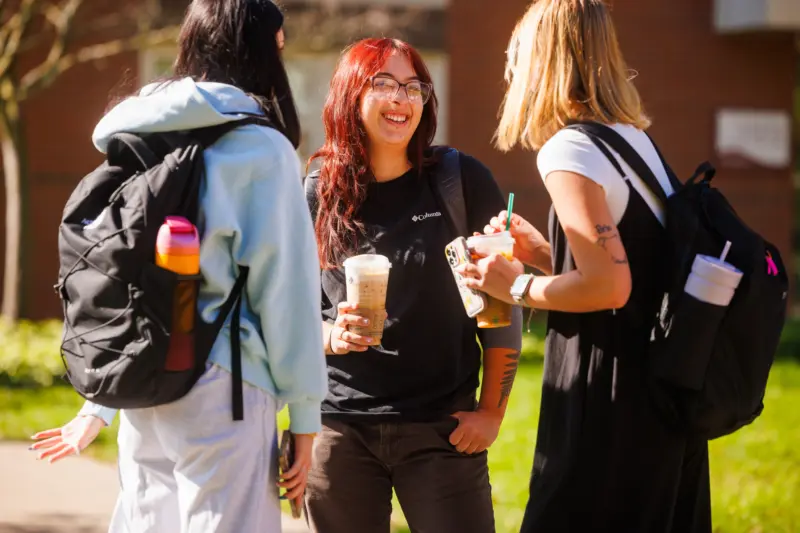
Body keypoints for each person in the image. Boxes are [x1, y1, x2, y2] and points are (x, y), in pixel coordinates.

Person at [29, 1, 327, 531]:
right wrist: (304, 413)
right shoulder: (261, 149)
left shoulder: (134, 133)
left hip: (144, 374)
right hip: (224, 380)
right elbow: (287, 291)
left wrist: (97, 405)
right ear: (262, 47)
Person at [457, 1, 712, 532]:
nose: (510, 65)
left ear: (541, 59)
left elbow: (611, 286)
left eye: (517, 51)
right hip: (663, 388)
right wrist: (546, 254)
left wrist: (517, 284)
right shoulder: (634, 141)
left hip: (608, 393)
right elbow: (634, 268)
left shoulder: (567, 149)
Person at [302, 37, 523, 533]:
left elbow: (500, 303)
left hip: (442, 429)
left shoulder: (457, 180)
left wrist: (490, 412)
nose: (402, 99)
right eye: (383, 83)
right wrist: (332, 336)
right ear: (350, 95)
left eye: (414, 86)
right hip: (339, 429)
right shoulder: (319, 194)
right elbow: (291, 314)